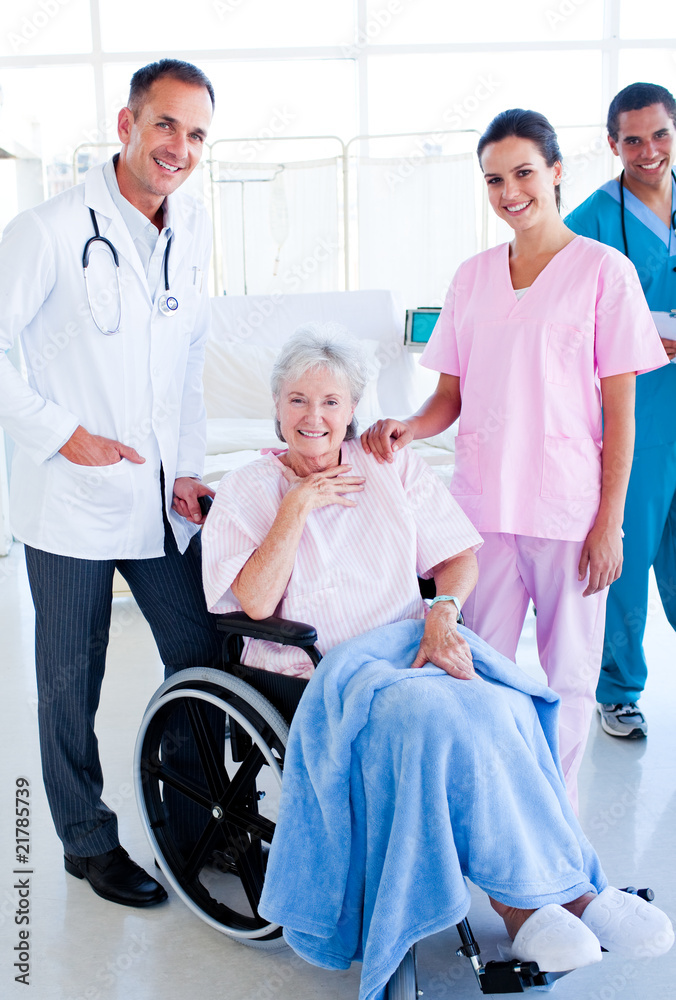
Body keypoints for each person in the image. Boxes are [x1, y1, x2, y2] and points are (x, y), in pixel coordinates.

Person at [201, 327, 673, 1000]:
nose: (315, 417)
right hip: (321, 667)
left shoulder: (386, 465)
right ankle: (520, 906)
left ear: (353, 407)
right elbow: (248, 597)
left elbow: (458, 556)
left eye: (331, 401)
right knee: (433, 718)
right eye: (298, 400)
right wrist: (298, 505)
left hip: (408, 644)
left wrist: (444, 613)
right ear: (277, 406)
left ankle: (576, 893)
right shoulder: (248, 487)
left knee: (504, 704)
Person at [361, 109, 668, 811]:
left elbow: (620, 417)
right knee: (479, 672)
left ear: (557, 172)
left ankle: (551, 828)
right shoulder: (471, 279)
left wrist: (610, 523)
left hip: (570, 512)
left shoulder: (603, 273)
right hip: (483, 514)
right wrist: (409, 426)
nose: (509, 191)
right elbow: (450, 396)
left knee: (567, 683)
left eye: (523, 172)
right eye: (494, 179)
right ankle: (489, 815)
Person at [0, 60, 224, 907]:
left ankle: (196, 825)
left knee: (202, 654)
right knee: (70, 680)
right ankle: (86, 842)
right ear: (126, 124)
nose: (180, 147)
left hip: (162, 500)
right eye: (165, 125)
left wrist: (192, 463)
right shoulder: (50, 228)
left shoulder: (194, 226)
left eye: (197, 133)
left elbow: (191, 353)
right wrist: (64, 436)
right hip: (71, 503)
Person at [565, 83, 676, 740]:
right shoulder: (589, 220)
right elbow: (564, 322)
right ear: (613, 144)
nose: (648, 150)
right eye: (632, 139)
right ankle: (619, 689)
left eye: (659, 134)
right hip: (635, 416)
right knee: (626, 561)